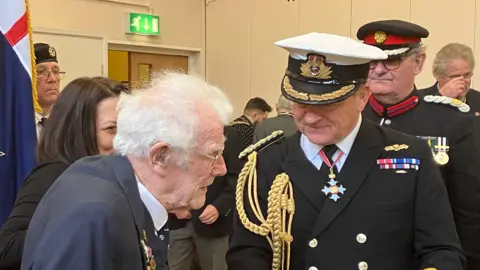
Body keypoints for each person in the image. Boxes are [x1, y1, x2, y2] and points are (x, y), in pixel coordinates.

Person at [226, 32, 464, 270]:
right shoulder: (267, 163)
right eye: (300, 102)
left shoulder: (410, 156)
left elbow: (441, 251)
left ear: (362, 97)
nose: (310, 117)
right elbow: (247, 252)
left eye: (327, 105)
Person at [21, 71, 233, 270]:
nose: (222, 169)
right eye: (213, 154)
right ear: (160, 156)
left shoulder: (122, 195)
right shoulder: (96, 216)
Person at [358, 19, 480, 270]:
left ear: (419, 62)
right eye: (371, 61)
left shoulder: (452, 123)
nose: (379, 70)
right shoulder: (349, 121)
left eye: (392, 61)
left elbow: (469, 212)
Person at [0, 77, 126, 270]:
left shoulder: (119, 173)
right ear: (79, 130)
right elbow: (7, 248)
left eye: (126, 129)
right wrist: (76, 226)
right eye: (111, 129)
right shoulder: (52, 175)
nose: (122, 140)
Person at [168, 126, 243, 270]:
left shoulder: (228, 134)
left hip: (212, 223)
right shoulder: (171, 131)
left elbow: (236, 178)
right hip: (177, 221)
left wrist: (219, 207)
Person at [421, 43, 480, 115]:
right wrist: (441, 97)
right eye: (455, 76)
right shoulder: (421, 100)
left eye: (467, 75)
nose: (462, 81)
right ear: (438, 75)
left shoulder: (477, 99)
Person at [33, 43, 63, 138]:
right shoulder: (13, 124)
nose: (53, 79)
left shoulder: (66, 121)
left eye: (56, 71)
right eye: (41, 72)